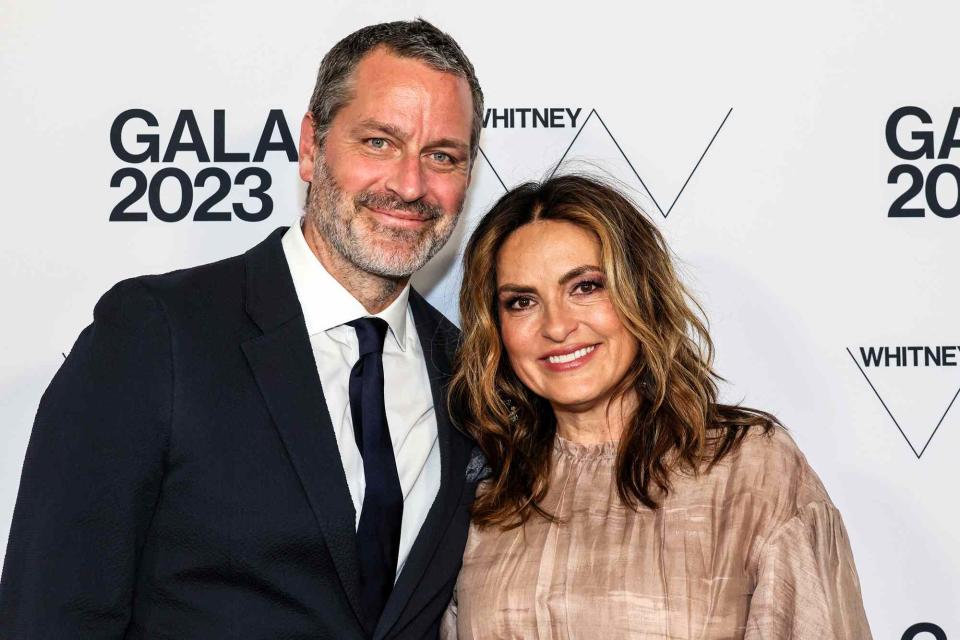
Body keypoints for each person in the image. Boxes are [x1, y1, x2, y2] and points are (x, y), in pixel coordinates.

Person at [0, 19, 483, 639]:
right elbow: (51, 612)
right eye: (379, 142)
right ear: (311, 147)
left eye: (441, 156)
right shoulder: (158, 334)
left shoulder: (468, 374)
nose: (410, 185)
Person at [442, 175, 872, 639]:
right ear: (496, 329)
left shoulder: (751, 471)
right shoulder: (484, 493)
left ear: (641, 295)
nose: (557, 326)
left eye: (586, 287)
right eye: (522, 301)